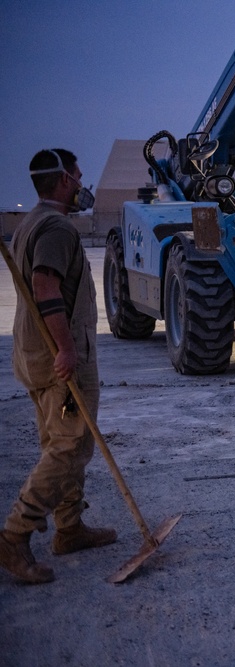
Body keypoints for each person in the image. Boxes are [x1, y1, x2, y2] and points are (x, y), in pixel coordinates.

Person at [0, 149, 116, 585]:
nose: (84, 184)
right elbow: (45, 288)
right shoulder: (55, 228)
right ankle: (14, 535)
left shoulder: (29, 222)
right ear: (65, 180)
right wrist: (66, 350)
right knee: (68, 449)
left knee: (63, 443)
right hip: (59, 360)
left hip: (34, 355)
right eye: (80, 176)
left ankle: (68, 529)